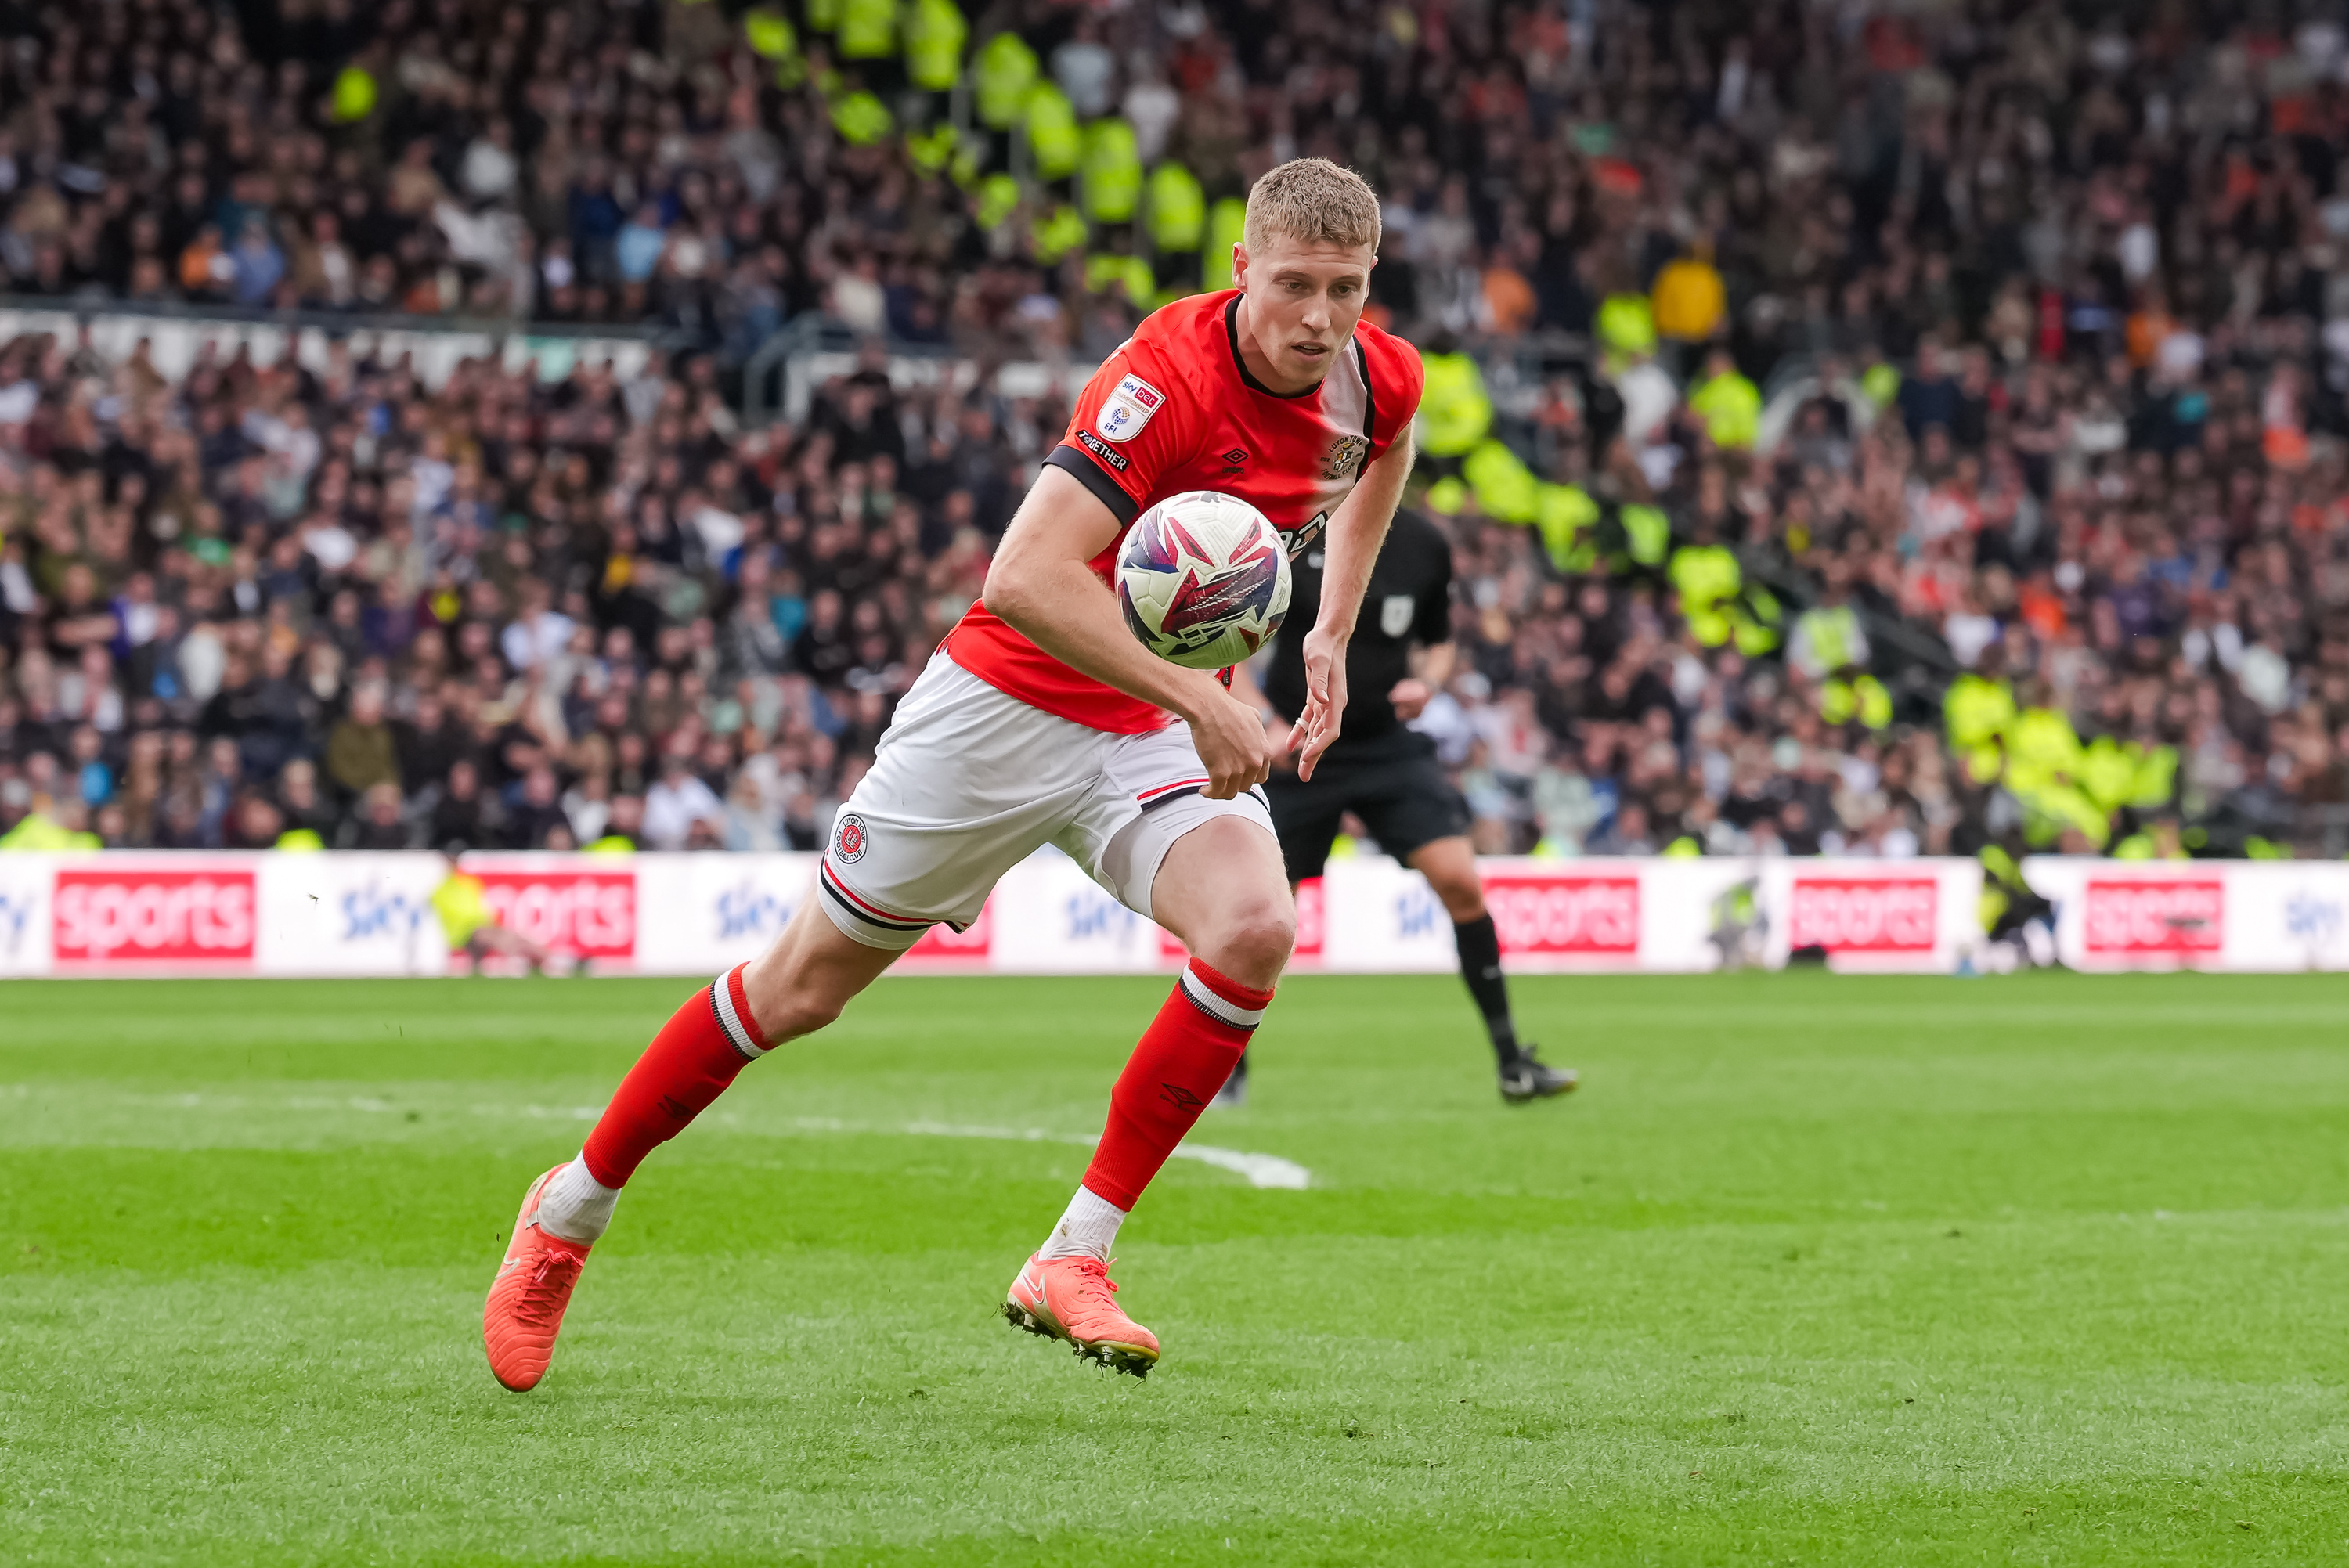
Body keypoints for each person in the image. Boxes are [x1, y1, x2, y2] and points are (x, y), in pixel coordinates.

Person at [482, 158, 1423, 1390]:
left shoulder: (1379, 375)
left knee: (1254, 926)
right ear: (1242, 267)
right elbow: (1021, 577)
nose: (1319, 317)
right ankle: (569, 1209)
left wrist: (1331, 629)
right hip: (1003, 708)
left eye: (1345, 289)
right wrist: (1204, 693)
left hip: (1146, 728)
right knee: (797, 989)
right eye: (1294, 284)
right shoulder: (1162, 382)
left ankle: (1073, 1255)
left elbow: (1386, 451)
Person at [1229, 508, 1576, 1106]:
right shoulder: (1293, 530)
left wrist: (1428, 683)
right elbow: (1221, 644)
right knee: (1256, 917)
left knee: (1461, 882)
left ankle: (1512, 1063)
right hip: (1299, 742)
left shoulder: (1423, 543)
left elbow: (1439, 642)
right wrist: (1264, 720)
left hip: (1383, 744)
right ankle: (1224, 1070)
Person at [431, 847, 555, 975]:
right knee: (502, 938)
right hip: (465, 933)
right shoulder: (441, 890)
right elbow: (459, 915)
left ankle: (545, 957)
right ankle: (518, 964)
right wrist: (478, 923)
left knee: (514, 935)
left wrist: (488, 921)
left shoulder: (468, 882)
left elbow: (480, 907)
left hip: (479, 926)